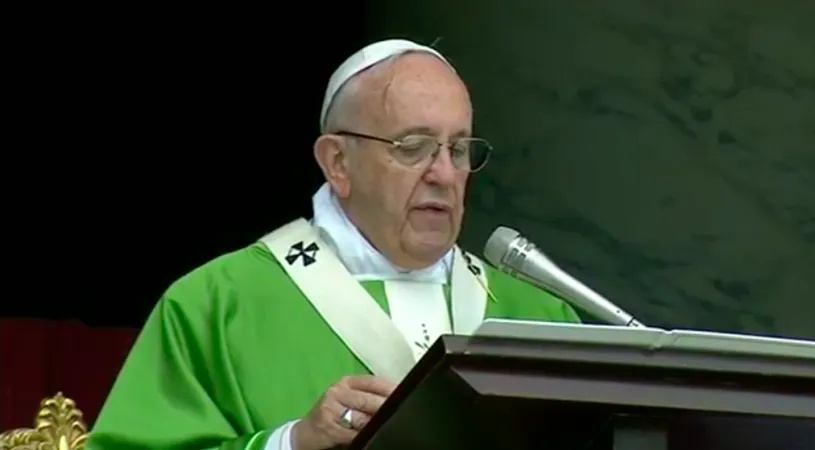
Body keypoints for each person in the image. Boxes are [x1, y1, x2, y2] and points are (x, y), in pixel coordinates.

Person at [87, 39, 581, 450]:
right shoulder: (220, 303)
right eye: (413, 147)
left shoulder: (537, 317)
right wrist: (291, 442)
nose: (445, 175)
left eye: (458, 149)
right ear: (338, 163)